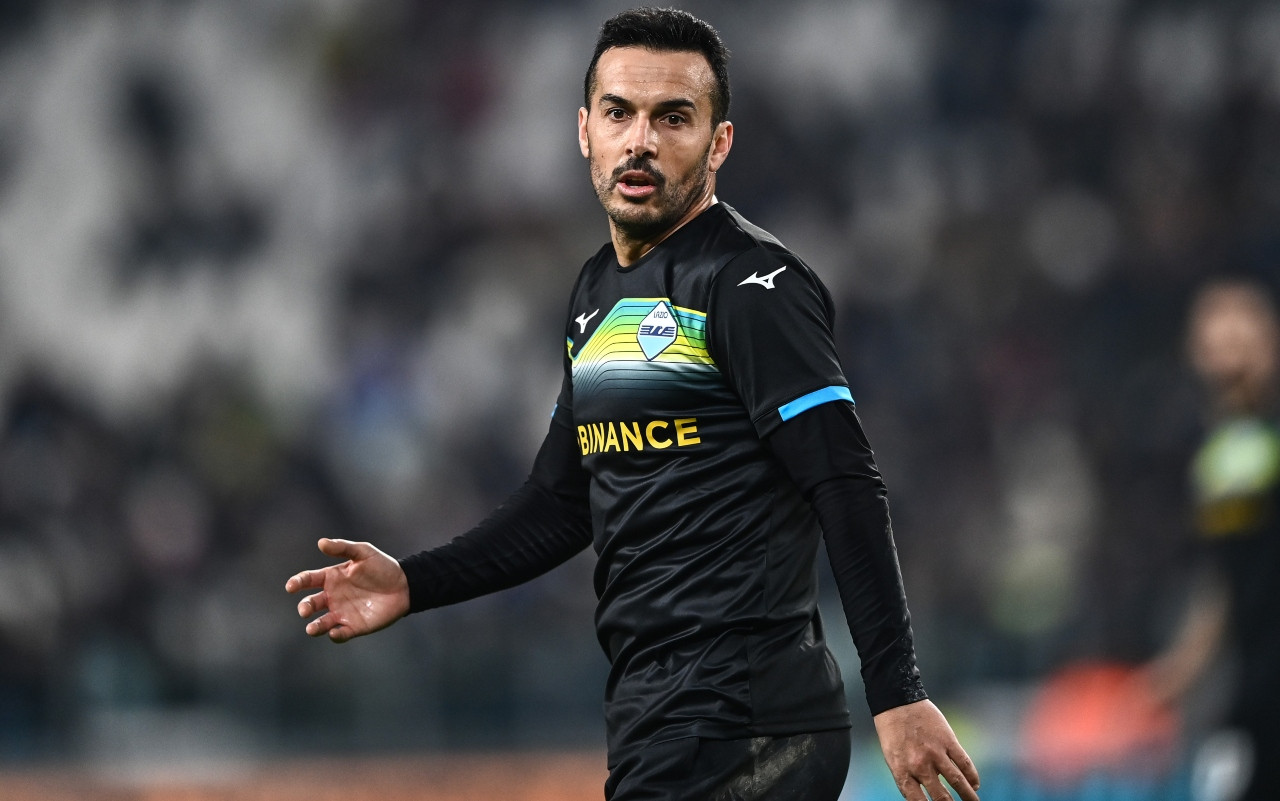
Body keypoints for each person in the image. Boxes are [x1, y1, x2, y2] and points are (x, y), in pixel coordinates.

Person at [286, 8, 979, 801]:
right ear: (585, 130)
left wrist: (896, 690)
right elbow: (561, 500)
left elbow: (844, 482)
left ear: (719, 143)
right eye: (619, 113)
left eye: (673, 118)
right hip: (660, 722)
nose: (640, 140)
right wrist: (414, 582)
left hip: (747, 719)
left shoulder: (752, 285)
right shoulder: (595, 294)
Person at [1145, 279, 1280, 799]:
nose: (1228, 348)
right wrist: (1184, 665)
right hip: (1252, 687)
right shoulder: (1217, 455)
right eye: (1215, 336)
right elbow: (1224, 575)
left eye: (1242, 333)